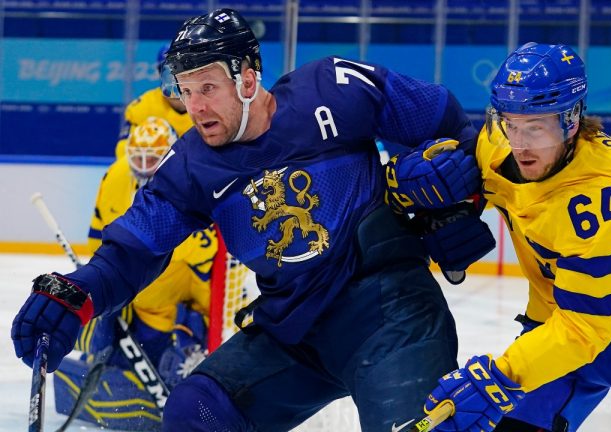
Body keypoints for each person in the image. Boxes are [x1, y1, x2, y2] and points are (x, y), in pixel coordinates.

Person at [11, 8, 494, 431]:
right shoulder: (191, 165)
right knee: (196, 411)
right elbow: (132, 251)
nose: (194, 106)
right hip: (295, 329)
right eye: (184, 90)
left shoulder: (335, 87)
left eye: (206, 87)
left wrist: (459, 200)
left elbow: (449, 125)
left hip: (390, 315)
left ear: (246, 77)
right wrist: (77, 295)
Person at [385, 42, 611, 432]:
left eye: (536, 127)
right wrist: (423, 190)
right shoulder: (499, 142)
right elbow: (478, 174)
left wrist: (501, 375)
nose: (520, 144)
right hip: (561, 319)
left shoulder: (602, 193)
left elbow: (585, 325)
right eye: (511, 123)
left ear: (571, 121)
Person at [53, 116, 214, 430]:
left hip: (169, 309)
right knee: (99, 347)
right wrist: (107, 291)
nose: (143, 167)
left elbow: (212, 281)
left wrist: (195, 331)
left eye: (152, 159)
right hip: (132, 298)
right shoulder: (115, 177)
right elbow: (99, 239)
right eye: (137, 158)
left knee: (172, 372)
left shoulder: (193, 190)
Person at [113, 43, 193, 159]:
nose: (174, 78)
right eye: (168, 72)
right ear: (159, 73)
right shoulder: (143, 108)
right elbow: (124, 153)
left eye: (181, 70)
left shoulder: (208, 105)